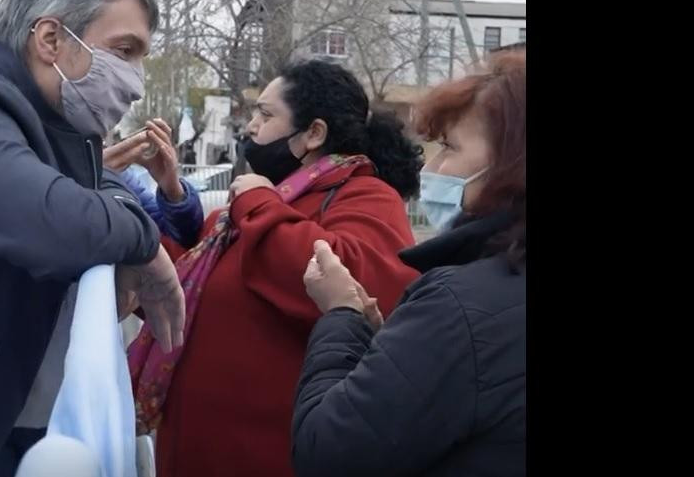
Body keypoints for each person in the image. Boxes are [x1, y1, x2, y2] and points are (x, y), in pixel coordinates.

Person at [0, 0, 186, 477]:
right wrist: (145, 245)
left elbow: (100, 182)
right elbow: (52, 218)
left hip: (2, 426)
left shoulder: (57, 126)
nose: (135, 78)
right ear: (51, 39)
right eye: (124, 50)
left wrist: (127, 212)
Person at [128, 59, 425, 477]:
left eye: (265, 115)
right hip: (197, 451)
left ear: (313, 134)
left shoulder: (364, 195)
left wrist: (259, 205)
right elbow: (182, 287)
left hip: (268, 454)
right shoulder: (254, 206)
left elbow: (352, 284)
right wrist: (124, 228)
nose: (250, 127)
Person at [294, 50, 526, 477]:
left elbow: (328, 451)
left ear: (512, 165)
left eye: (449, 148)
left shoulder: (459, 308)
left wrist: (342, 317)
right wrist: (395, 348)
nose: (432, 167)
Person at [104, 118, 204, 250]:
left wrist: (173, 191)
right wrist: (93, 177)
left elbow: (183, 240)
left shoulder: (122, 177)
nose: (134, 96)